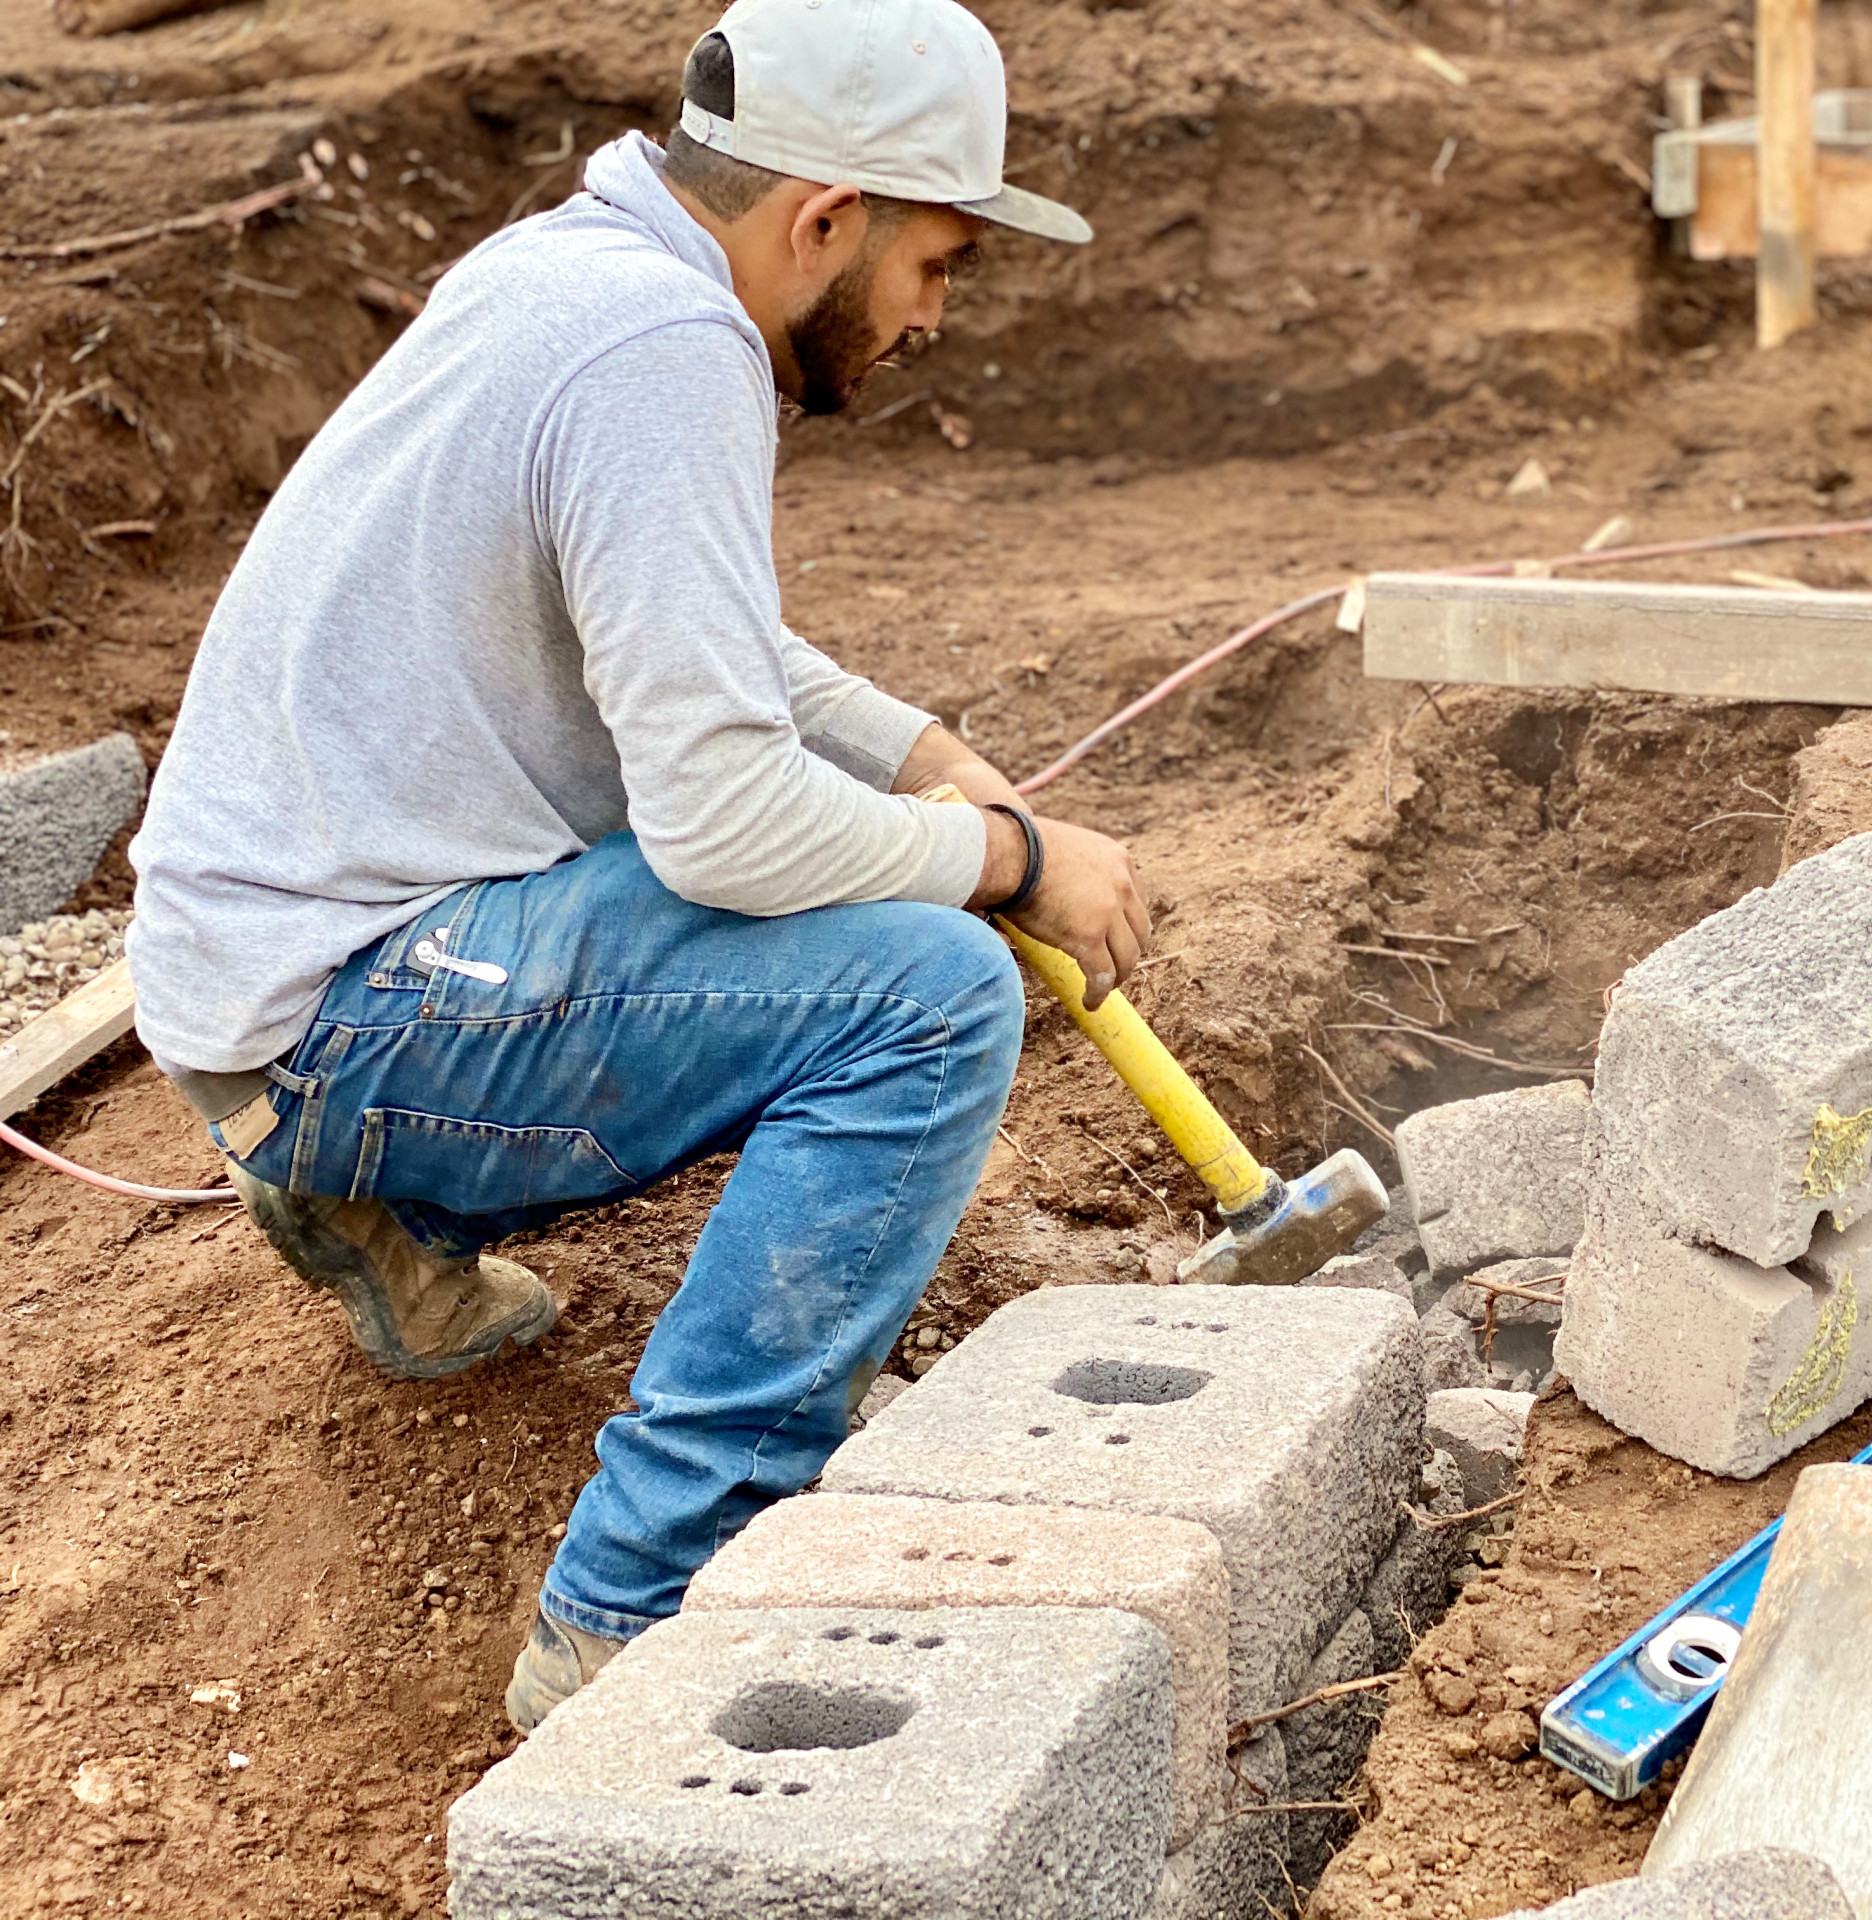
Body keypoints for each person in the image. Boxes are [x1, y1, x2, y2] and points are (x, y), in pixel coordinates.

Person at [123, 0, 1147, 1732]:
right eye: (937, 267)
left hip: (262, 976)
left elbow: (704, 647)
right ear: (824, 218)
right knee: (927, 988)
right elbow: (728, 826)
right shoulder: (660, 350)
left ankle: (375, 1213)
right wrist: (1006, 858)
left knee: (849, 872)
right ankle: (642, 1599)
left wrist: (932, 763)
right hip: (344, 1005)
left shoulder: (580, 270)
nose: (931, 322)